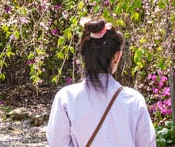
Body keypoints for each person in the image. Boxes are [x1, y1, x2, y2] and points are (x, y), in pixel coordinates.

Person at [46, 17, 156, 147]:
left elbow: (57, 142)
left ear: (84, 55)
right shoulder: (133, 100)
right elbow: (147, 143)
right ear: (117, 56)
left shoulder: (66, 98)